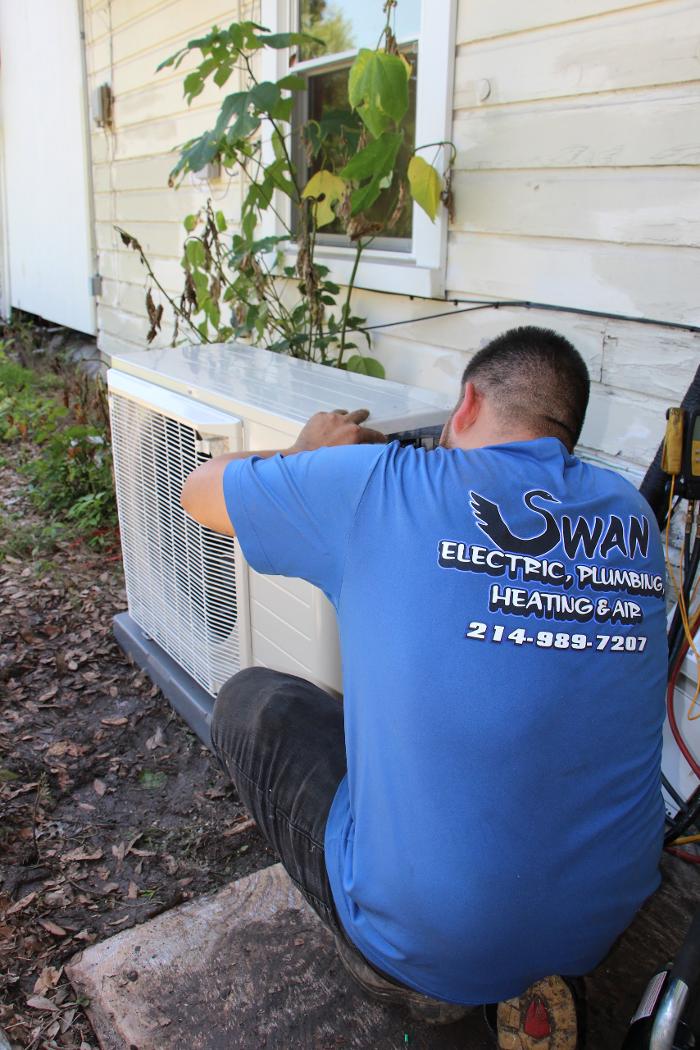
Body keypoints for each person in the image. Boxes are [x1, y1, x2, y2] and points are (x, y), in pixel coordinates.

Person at [180, 326, 667, 1048]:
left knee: (254, 703)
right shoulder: (631, 517)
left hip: (434, 943)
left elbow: (199, 491)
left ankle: (418, 988)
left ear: (465, 404)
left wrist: (306, 454)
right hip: (601, 923)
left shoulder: (379, 486)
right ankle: (527, 969)